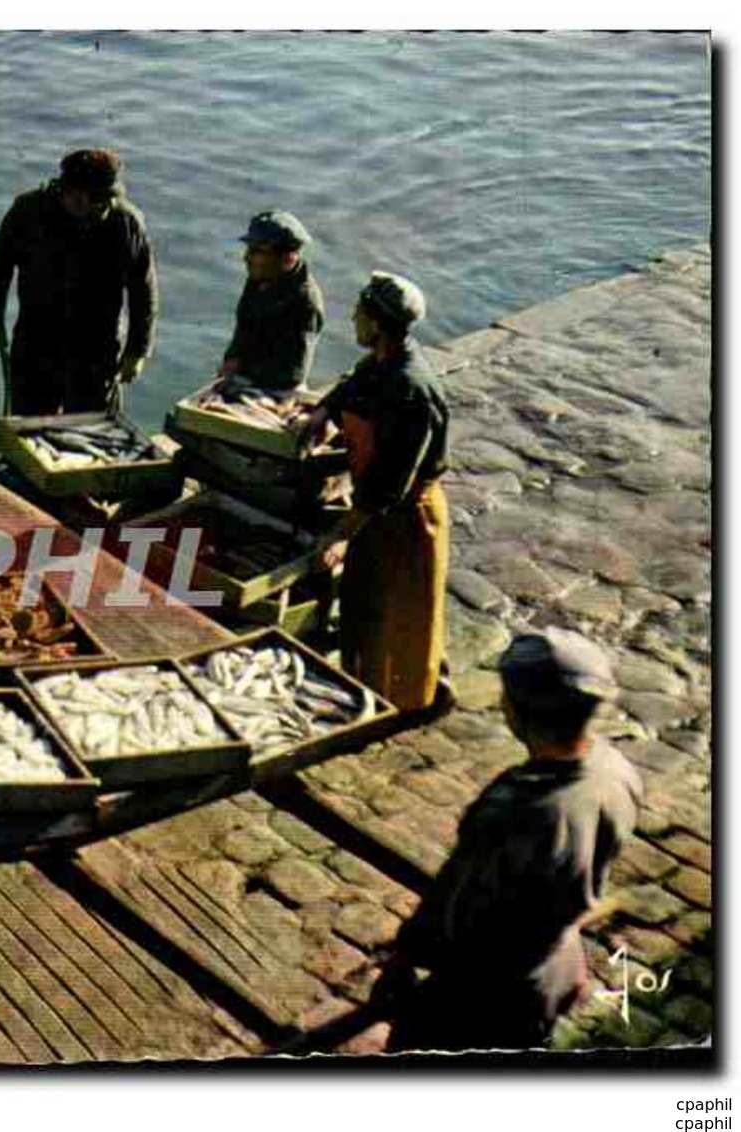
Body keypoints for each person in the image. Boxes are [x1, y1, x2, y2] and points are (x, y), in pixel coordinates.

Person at [375, 628, 643, 1051]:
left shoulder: (516, 808)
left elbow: (455, 904)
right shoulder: (617, 771)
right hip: (559, 967)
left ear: (516, 711)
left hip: (486, 991)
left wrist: (404, 958)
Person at [305, 271, 450, 713]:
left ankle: (410, 700)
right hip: (375, 509)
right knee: (366, 605)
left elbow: (392, 481)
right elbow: (353, 384)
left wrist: (344, 534)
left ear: (378, 323)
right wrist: (324, 411)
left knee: (405, 617)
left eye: (360, 313)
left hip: (406, 516)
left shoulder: (411, 388)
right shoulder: (382, 360)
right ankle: (366, 687)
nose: (353, 318)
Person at [0, 149, 159, 416]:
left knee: (89, 424)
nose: (80, 201)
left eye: (91, 197)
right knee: (28, 422)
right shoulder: (29, 210)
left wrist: (137, 352)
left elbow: (143, 292)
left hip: (97, 348)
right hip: (36, 340)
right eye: (74, 192)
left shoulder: (126, 224)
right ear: (62, 186)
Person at [214, 210, 325, 392]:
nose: (246, 257)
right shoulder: (261, 277)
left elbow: (292, 375)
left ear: (288, 258)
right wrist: (232, 359)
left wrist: (242, 373)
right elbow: (244, 326)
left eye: (257, 251)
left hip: (276, 391)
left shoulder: (305, 304)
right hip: (243, 376)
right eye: (249, 249)